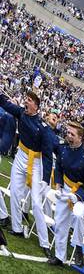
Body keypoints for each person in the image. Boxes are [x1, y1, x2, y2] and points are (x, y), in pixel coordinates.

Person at [0, 87, 54, 253]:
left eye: (29, 100)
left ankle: (44, 243)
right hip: (21, 155)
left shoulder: (43, 127)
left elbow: (47, 155)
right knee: (15, 192)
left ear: (36, 106)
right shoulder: (21, 113)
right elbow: (5, 104)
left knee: (37, 203)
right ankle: (16, 228)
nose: (26, 101)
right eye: (26, 99)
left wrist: (45, 179)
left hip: (36, 162)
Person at [48, 119, 84, 267]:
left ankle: (78, 246)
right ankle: (59, 256)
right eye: (68, 132)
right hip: (64, 191)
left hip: (80, 194)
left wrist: (76, 196)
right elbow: (59, 168)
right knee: (60, 223)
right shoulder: (63, 148)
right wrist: (58, 184)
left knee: (78, 216)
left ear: (80, 138)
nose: (68, 136)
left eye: (72, 134)